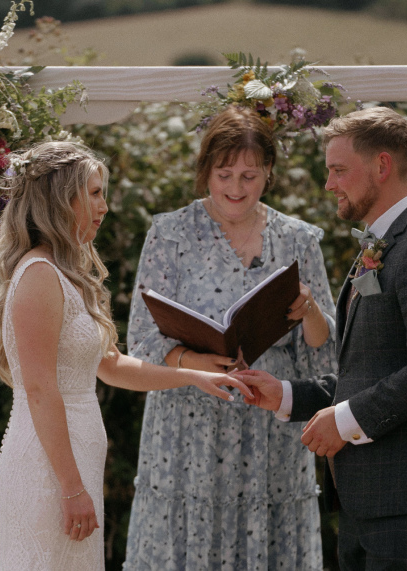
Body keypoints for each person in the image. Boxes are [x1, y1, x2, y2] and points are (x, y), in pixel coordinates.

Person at [235, 106, 407, 570]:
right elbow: (366, 371)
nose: (329, 184)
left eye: (338, 170)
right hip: (364, 499)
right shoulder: (379, 247)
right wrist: (285, 395)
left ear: (382, 165)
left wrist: (344, 421)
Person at [0, 141, 252, 570]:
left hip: (74, 464)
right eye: (93, 193)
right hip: (47, 469)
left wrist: (192, 375)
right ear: (60, 199)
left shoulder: (68, 274)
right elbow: (39, 389)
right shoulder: (38, 275)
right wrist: (71, 488)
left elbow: (110, 366)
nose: (104, 206)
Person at [122, 106, 337, 570]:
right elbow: (139, 339)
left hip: (269, 441)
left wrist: (312, 312)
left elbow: (325, 358)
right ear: (205, 172)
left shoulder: (298, 240)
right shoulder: (170, 234)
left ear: (269, 174)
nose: (236, 189)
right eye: (224, 175)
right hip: (186, 439)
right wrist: (189, 360)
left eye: (249, 175)